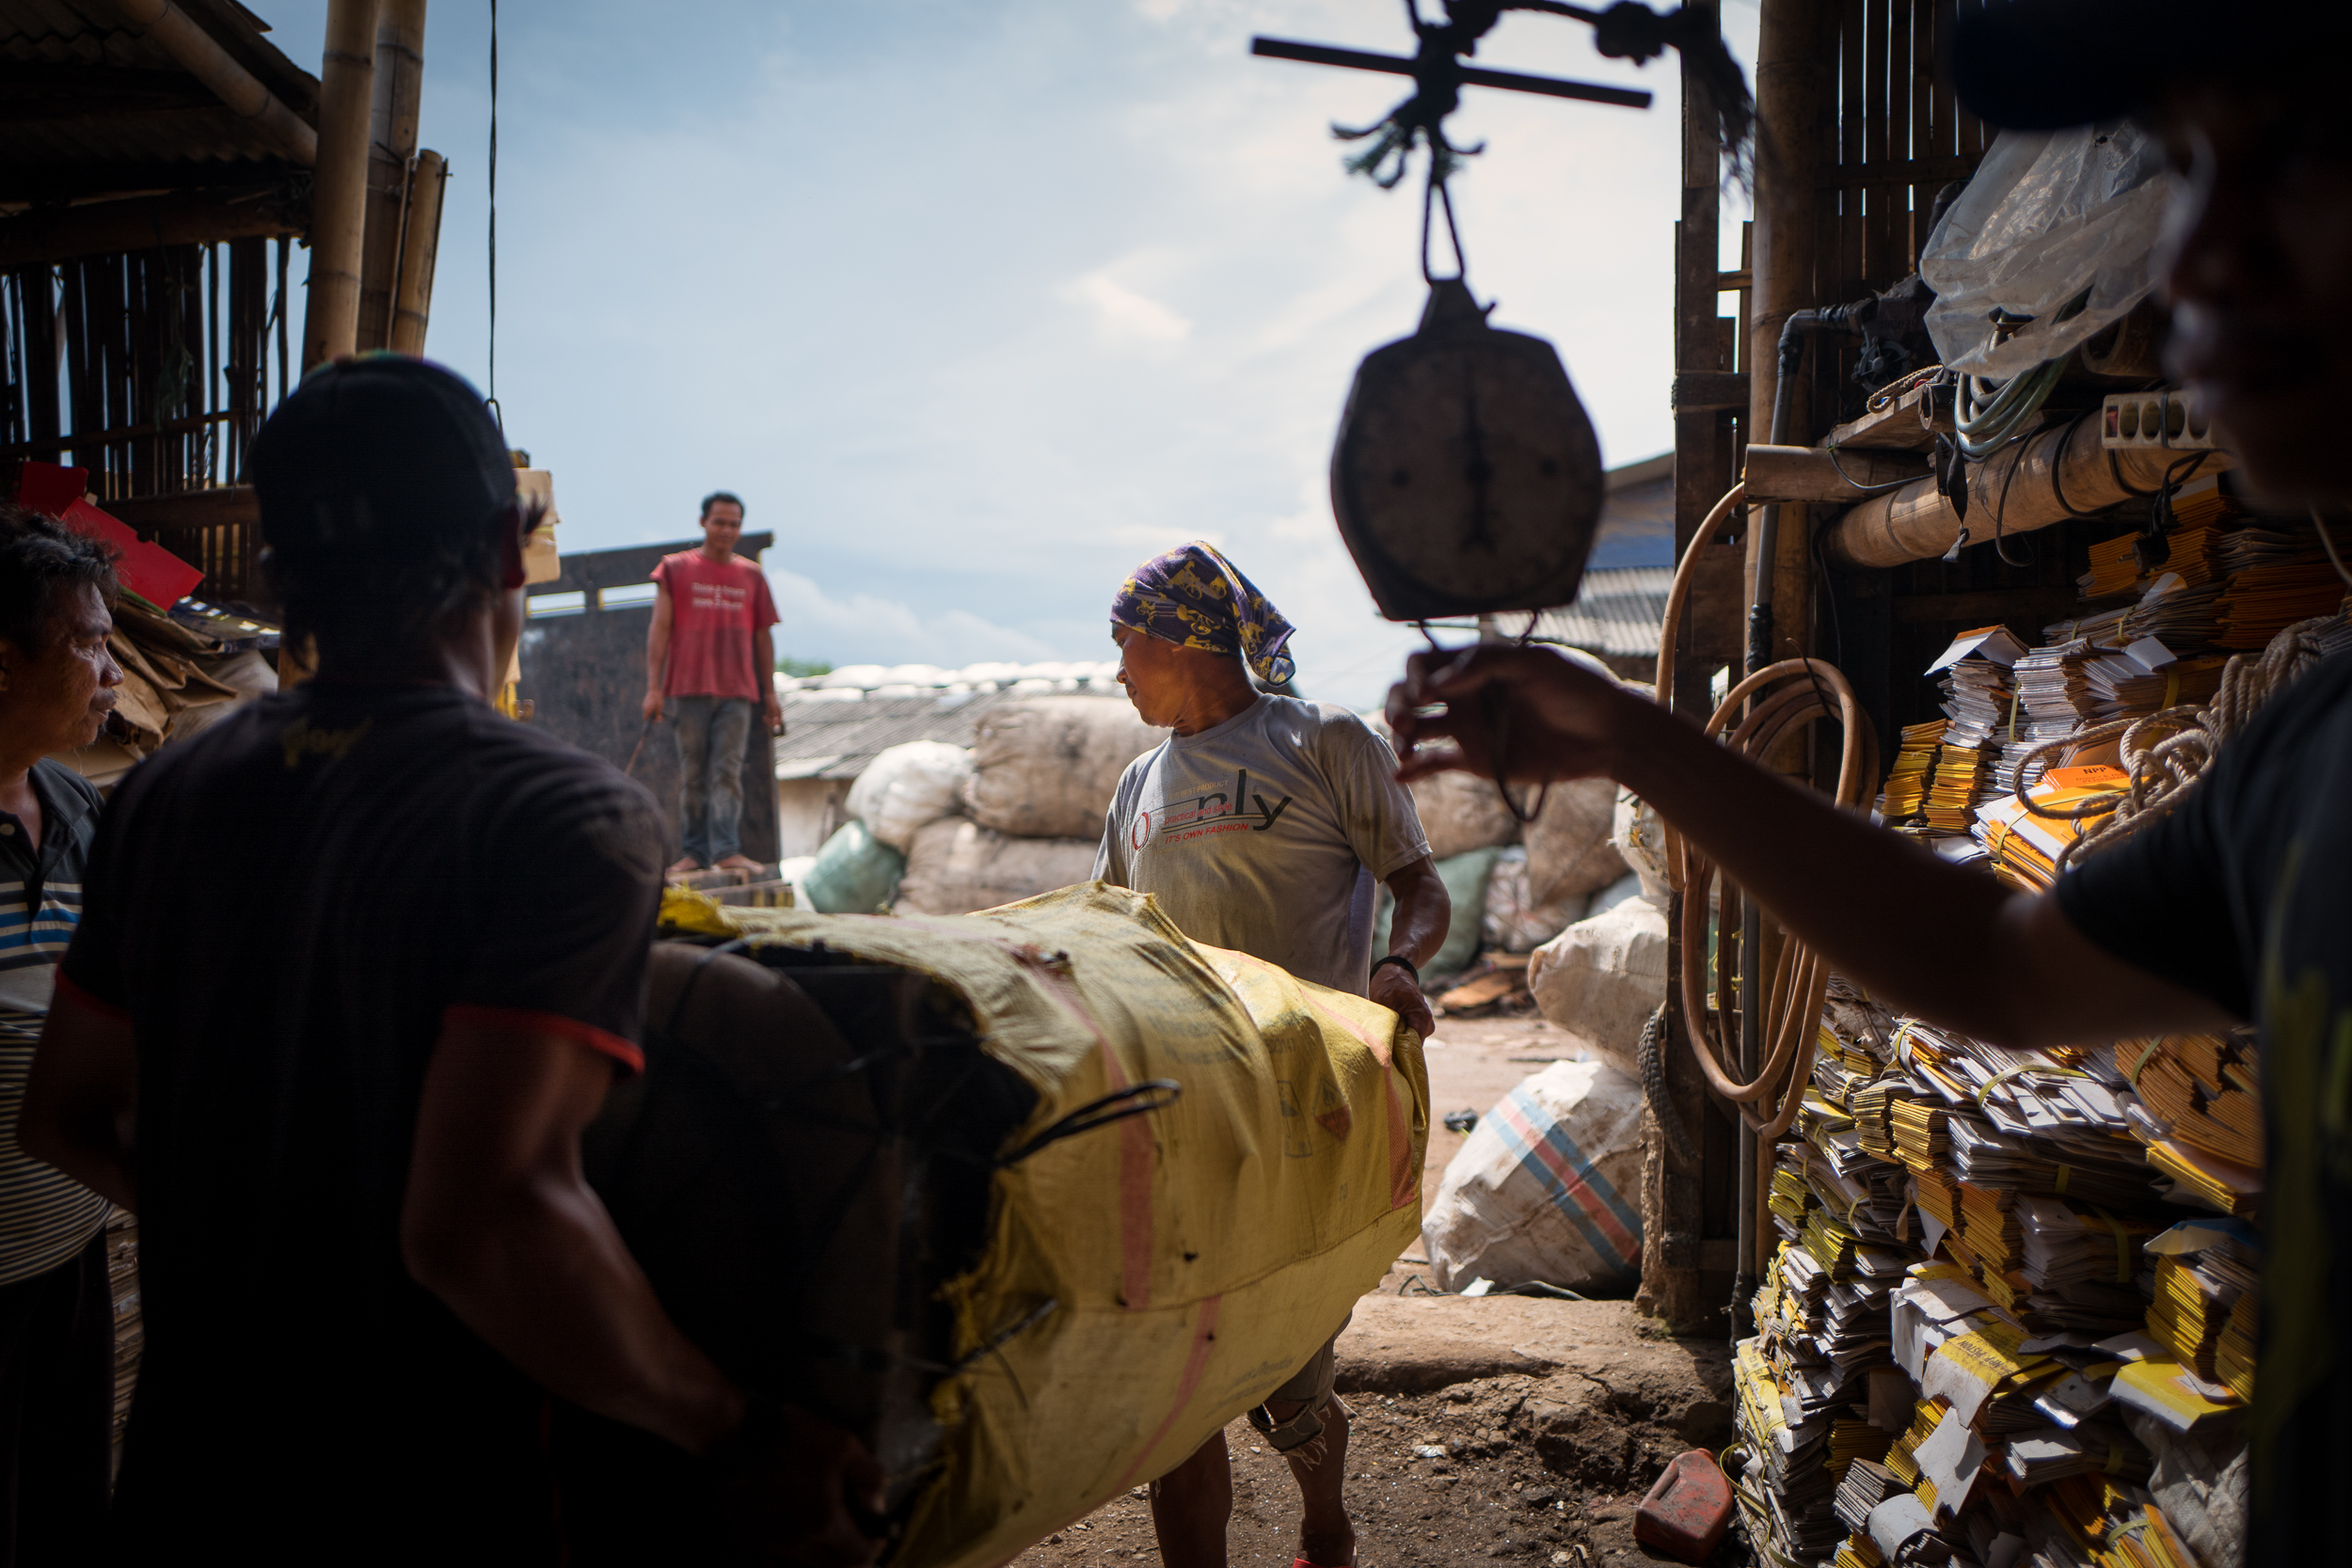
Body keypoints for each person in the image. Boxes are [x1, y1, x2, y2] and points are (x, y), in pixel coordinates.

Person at [1386, 4, 2352, 1559]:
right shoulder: (2305, 759)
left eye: (2295, 158)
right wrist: (1637, 740)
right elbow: (1995, 963)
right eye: (2186, 172)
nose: (2193, 263)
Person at [21, 357, 882, 1565]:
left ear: (285, 574)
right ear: (500, 549)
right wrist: (736, 1432)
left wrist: (262, 1218)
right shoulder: (554, 814)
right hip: (440, 1502)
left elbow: (62, 1113)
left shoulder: (170, 793)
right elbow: (483, 1218)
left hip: (194, 1491)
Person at [1091, 542, 1450, 1568]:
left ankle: (1324, 1523)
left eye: (1124, 644)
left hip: (1302, 1107)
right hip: (1181, 1111)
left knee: (1291, 1379)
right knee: (1180, 1386)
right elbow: (1112, 931)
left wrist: (1397, 964)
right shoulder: (1135, 785)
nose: (1117, 670)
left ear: (1181, 638)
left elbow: (1419, 887)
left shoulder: (1323, 740)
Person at [0, 506, 120, 1565]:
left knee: (71, 1525)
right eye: (86, 640)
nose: (110, 670)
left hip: (68, 1251)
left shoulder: (79, 809)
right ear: (4, 658)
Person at [643, 491, 783, 878]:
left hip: (738, 692)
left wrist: (769, 693)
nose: (727, 529)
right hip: (688, 689)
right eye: (719, 521)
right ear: (703, 522)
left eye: (734, 523)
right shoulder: (675, 569)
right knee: (693, 773)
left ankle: (726, 851)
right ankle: (694, 853)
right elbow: (660, 628)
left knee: (727, 771)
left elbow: (762, 637)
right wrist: (653, 687)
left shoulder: (751, 576)